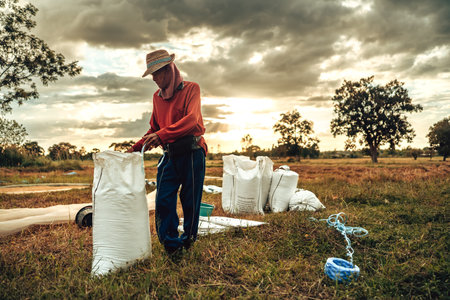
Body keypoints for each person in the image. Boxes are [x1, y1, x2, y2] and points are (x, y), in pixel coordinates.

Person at [127, 49, 207, 259]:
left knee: (190, 200)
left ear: (169, 70)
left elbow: (191, 120)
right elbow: (153, 129)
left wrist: (162, 135)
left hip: (192, 152)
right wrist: (134, 149)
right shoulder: (157, 97)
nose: (154, 79)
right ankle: (172, 245)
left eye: (157, 73)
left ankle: (188, 240)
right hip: (169, 154)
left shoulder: (191, 89)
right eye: (152, 75)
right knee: (163, 199)